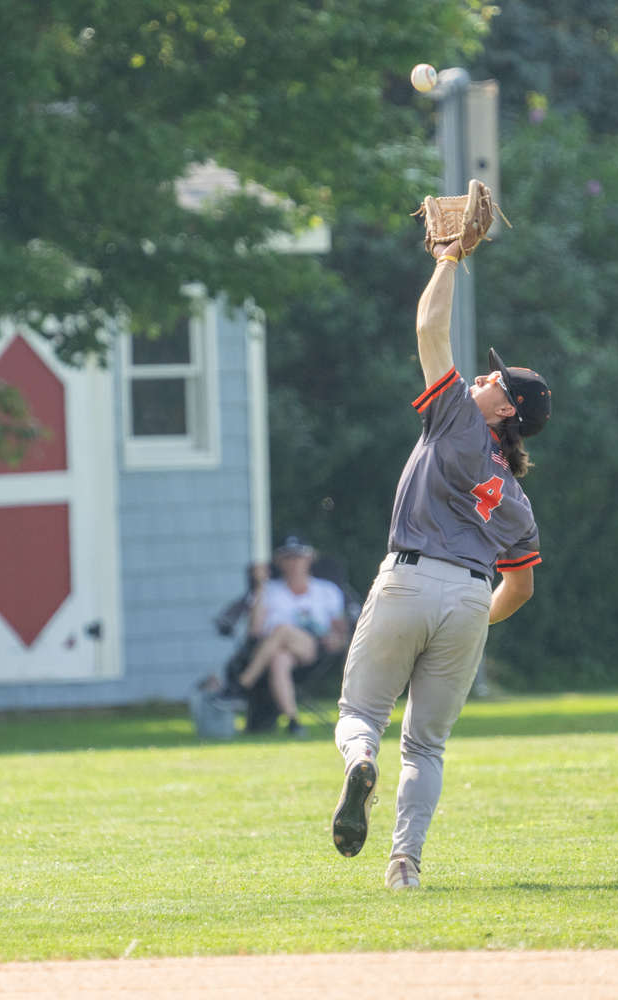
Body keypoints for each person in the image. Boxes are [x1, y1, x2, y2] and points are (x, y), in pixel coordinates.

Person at [329, 186, 551, 890]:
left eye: (495, 378)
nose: (482, 375)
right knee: (426, 744)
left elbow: (429, 330)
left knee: (360, 713)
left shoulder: (456, 417)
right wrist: (472, 620)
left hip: (408, 578)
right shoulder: (516, 499)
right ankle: (404, 865)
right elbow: (522, 583)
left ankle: (361, 761)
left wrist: (449, 259)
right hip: (467, 600)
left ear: (506, 407)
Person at [234, 537, 349, 738]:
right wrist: (260, 585)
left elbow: (341, 630)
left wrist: (339, 640)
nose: (293, 563)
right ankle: (293, 721)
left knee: (282, 629)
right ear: (279, 562)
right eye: (288, 558)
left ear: (309, 559)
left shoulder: (326, 590)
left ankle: (244, 682)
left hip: (314, 648)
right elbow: (254, 630)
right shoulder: (270, 590)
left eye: (298, 557)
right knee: (279, 659)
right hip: (273, 652)